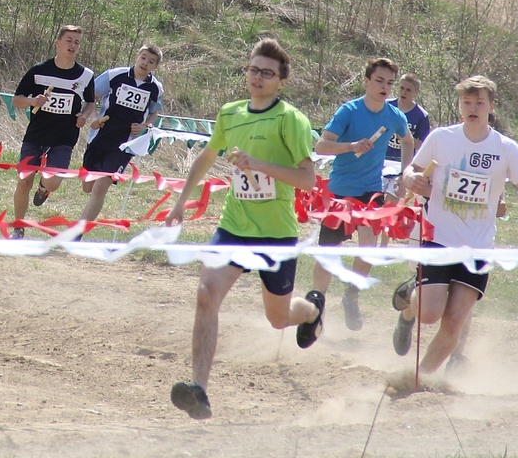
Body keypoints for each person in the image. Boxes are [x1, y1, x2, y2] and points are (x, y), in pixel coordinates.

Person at [164, 38, 321, 420]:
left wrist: (259, 165)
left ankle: (312, 311)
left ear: (281, 80)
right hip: (233, 225)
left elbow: (307, 180)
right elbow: (206, 156)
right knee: (206, 295)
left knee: (278, 318)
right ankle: (199, 389)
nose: (258, 78)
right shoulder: (230, 113)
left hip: (275, 233)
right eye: (253, 70)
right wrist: (182, 199)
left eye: (267, 73)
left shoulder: (290, 119)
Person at [395, 75, 518, 375]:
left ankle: (419, 377)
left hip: (477, 247)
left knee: (454, 321)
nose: (472, 107)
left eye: (479, 102)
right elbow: (411, 171)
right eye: (467, 102)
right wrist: (411, 178)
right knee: (429, 314)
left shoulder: (506, 147)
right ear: (459, 106)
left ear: (491, 106)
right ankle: (409, 305)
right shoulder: (441, 138)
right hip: (439, 238)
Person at [312, 58, 414, 331]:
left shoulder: (394, 116)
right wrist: (352, 146)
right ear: (367, 81)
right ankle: (317, 304)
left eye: (390, 83)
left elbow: (408, 141)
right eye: (379, 81)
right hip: (340, 193)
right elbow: (321, 146)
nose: (385, 87)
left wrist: (406, 173)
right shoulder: (349, 110)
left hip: (371, 192)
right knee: (328, 253)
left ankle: (351, 295)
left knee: (368, 244)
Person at [10, 25, 95, 239]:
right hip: (36, 134)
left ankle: (44, 187)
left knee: (53, 183)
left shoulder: (85, 75)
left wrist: (84, 116)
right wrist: (32, 100)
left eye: (76, 42)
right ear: (58, 43)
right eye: (69, 40)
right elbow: (17, 100)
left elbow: (91, 102)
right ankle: (18, 229)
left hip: (64, 138)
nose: (73, 45)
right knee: (23, 181)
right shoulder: (39, 70)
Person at [78, 44, 164, 232]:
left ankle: (77, 233)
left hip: (125, 145)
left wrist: (144, 127)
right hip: (100, 137)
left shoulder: (155, 88)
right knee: (88, 186)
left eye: (151, 62)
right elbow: (91, 96)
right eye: (143, 58)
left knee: (101, 188)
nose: (145, 63)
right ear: (136, 56)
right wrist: (94, 118)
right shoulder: (114, 75)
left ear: (155, 66)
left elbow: (153, 114)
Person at [380, 73, 431, 248]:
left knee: (391, 201)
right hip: (381, 158)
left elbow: (423, 144)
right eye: (401, 88)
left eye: (408, 90)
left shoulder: (421, 115)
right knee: (374, 200)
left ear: (415, 92)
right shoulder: (387, 106)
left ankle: (384, 245)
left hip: (403, 162)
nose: (403, 92)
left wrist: (404, 135)